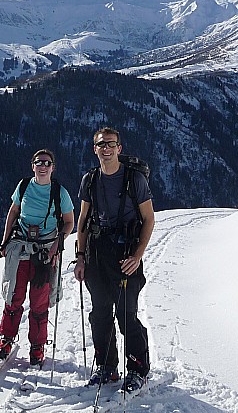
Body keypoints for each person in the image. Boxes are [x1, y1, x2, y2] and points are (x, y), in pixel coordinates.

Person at [74, 127, 155, 393]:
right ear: (94, 148)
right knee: (99, 314)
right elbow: (83, 221)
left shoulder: (134, 179)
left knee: (126, 313)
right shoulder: (90, 180)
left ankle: (137, 368)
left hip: (125, 254)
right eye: (101, 144)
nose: (106, 149)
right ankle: (107, 367)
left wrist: (137, 255)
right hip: (98, 254)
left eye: (111, 144)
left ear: (119, 148)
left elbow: (149, 218)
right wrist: (81, 256)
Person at [0, 149, 74, 367]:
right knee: (14, 295)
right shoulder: (23, 187)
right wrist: (5, 241)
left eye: (47, 163)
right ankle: (7, 338)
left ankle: (37, 345)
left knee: (40, 301)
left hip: (45, 251)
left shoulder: (60, 193)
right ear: (33, 166)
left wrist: (57, 247)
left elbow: (69, 222)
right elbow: (13, 213)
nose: (43, 166)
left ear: (52, 167)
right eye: (39, 162)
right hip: (21, 247)